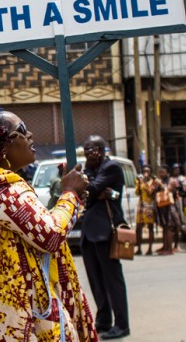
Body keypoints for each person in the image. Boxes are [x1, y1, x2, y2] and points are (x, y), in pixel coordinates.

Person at [0, 103, 96, 341]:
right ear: (3, 145)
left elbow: (37, 227)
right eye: (22, 129)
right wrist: (70, 194)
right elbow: (51, 235)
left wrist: (71, 197)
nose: (30, 135)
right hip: (24, 320)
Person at [80, 135, 130, 340]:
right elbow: (84, 196)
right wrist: (95, 192)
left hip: (106, 231)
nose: (88, 153)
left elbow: (88, 189)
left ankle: (121, 324)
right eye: (85, 150)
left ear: (101, 150)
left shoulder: (112, 167)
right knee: (95, 280)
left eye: (91, 149)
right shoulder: (89, 170)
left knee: (112, 280)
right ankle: (103, 320)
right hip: (88, 233)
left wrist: (95, 191)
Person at [155, 165, 179, 256]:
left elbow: (168, 190)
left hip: (169, 207)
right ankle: (165, 246)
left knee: (169, 227)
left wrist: (160, 184)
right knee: (164, 227)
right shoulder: (160, 181)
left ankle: (170, 249)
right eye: (160, 172)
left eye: (163, 172)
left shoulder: (172, 181)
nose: (161, 174)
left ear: (167, 173)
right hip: (161, 206)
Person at [134, 166, 159, 256]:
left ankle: (150, 249)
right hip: (141, 207)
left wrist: (147, 183)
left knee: (150, 227)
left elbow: (150, 192)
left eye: (148, 171)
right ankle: (139, 248)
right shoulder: (140, 181)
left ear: (150, 172)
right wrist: (138, 182)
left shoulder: (154, 182)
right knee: (138, 228)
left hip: (150, 207)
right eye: (144, 171)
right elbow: (137, 192)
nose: (146, 173)